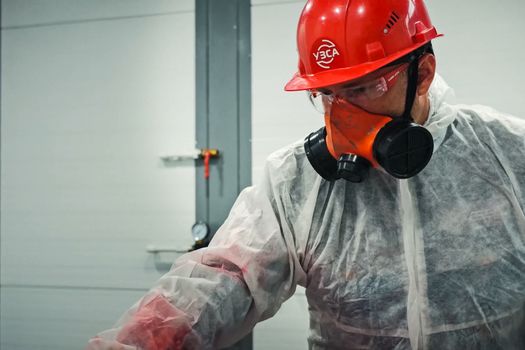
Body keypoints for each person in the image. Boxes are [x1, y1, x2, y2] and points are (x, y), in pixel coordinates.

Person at [87, 0, 525, 349]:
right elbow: (226, 277)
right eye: (326, 95)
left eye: (360, 89)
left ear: (423, 73)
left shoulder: (507, 152)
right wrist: (144, 339)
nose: (342, 116)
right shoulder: (297, 179)